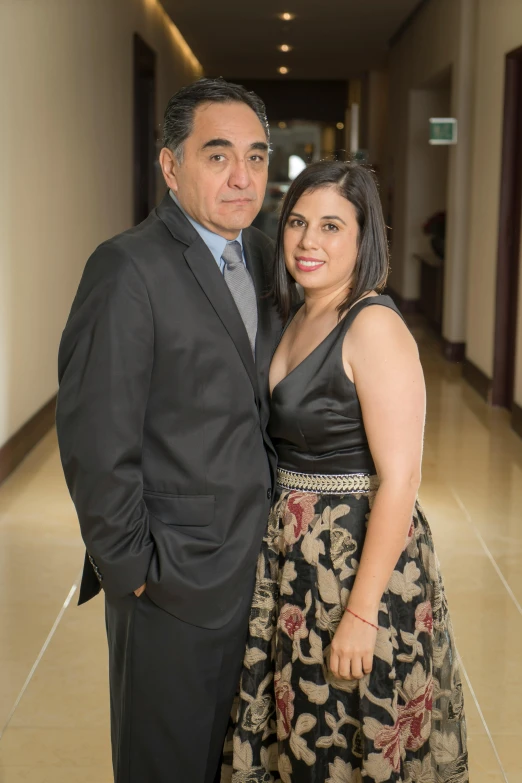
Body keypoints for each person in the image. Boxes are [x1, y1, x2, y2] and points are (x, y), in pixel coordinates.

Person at [56, 78, 283, 783]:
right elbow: (96, 441)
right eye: (218, 156)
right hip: (173, 583)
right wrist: (137, 574)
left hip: (261, 570)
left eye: (257, 156)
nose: (242, 177)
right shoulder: (127, 268)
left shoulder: (269, 258)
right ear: (170, 165)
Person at [230, 161, 468, 783]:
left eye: (332, 226)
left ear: (364, 239)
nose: (309, 242)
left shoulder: (374, 324)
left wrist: (361, 613)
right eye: (298, 223)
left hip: (356, 566)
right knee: (305, 730)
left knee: (350, 733)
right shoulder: (296, 313)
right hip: (297, 561)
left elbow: (402, 479)